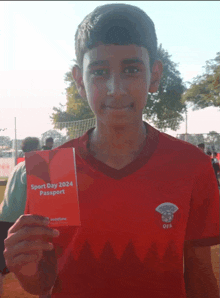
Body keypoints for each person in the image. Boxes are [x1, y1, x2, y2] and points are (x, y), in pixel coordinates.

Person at [2, 4, 219, 298]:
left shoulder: (191, 165)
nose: (115, 88)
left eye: (131, 69)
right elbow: (44, 283)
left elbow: (200, 274)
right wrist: (25, 270)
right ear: (80, 80)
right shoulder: (53, 168)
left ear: (154, 75)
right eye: (100, 72)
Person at [0, 137, 40, 294]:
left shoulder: (19, 165)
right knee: (41, 265)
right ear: (36, 149)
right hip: (17, 222)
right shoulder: (33, 166)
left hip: (4, 217)